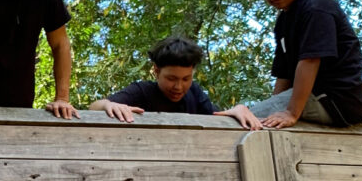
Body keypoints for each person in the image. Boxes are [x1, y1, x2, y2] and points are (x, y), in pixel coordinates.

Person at [249, 0, 362, 128]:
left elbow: (310, 60)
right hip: (310, 98)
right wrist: (276, 107)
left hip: (334, 101)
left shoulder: (315, 8)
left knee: (247, 120)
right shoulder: (283, 22)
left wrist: (291, 113)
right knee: (253, 119)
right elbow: (283, 75)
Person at [90, 35, 261, 129]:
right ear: (156, 71)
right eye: (171, 79)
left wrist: (238, 109)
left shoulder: (194, 92)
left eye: (186, 79)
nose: (179, 87)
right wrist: (107, 105)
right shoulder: (142, 91)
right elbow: (93, 107)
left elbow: (217, 116)